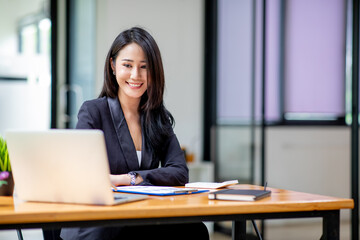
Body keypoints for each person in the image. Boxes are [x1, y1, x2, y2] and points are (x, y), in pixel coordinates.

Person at [60, 27, 209, 240]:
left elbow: (179, 172)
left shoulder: (157, 117)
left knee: (195, 230)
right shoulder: (94, 112)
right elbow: (82, 174)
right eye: (127, 65)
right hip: (98, 221)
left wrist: (129, 178)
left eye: (144, 67)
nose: (135, 75)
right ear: (112, 66)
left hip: (138, 218)